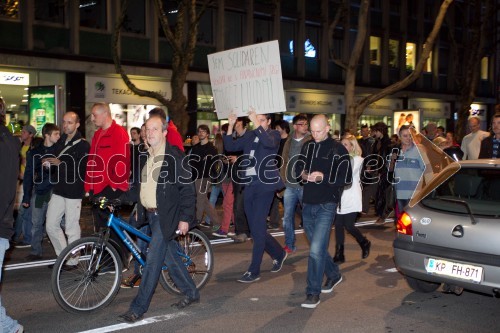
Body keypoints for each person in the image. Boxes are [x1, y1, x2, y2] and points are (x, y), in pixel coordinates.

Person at [120, 115, 198, 323]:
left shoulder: (174, 156)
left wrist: (185, 218)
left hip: (167, 216)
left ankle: (138, 308)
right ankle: (191, 292)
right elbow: (139, 189)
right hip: (151, 216)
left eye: (155, 129)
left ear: (164, 132)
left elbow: (188, 190)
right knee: (171, 258)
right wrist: (119, 200)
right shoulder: (147, 156)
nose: (150, 132)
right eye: (148, 129)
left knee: (153, 261)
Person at [224, 109, 287, 283]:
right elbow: (231, 146)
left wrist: (257, 124)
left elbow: (268, 144)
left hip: (265, 186)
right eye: (255, 120)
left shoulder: (274, 134)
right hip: (250, 184)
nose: (257, 122)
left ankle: (254, 270)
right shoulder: (251, 135)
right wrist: (230, 125)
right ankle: (279, 253)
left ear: (268, 122)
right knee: (255, 229)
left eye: (261, 120)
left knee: (258, 228)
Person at [296, 114, 351, 308]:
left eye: (318, 130)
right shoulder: (307, 146)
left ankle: (313, 292)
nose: (314, 134)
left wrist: (324, 177)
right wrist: (304, 175)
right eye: (312, 130)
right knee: (317, 249)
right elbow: (299, 170)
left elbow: (346, 179)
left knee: (315, 251)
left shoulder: (338, 149)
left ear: (328, 128)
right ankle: (334, 274)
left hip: (327, 204)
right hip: (308, 202)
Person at [85, 103, 130, 265]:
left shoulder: (118, 133)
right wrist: (88, 185)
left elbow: (122, 160)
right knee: (102, 225)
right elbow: (92, 161)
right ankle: (115, 257)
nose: (92, 118)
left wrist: (114, 187)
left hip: (109, 187)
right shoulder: (97, 134)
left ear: (105, 114)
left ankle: (115, 260)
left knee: (108, 225)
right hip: (97, 187)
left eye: (94, 115)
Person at [45, 112, 90, 268]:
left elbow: (81, 169)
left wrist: (60, 164)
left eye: (69, 122)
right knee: (50, 224)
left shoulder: (83, 145)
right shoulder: (61, 141)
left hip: (74, 190)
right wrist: (49, 163)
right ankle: (64, 256)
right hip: (59, 189)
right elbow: (56, 160)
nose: (65, 125)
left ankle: (73, 261)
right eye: (64, 122)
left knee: (71, 227)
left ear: (77, 124)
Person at [0, 97, 24, 333]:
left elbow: (6, 190)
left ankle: (8, 327)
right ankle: (7, 326)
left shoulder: (6, 142)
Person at [22, 123, 60, 261]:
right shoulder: (34, 153)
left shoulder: (60, 150)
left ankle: (64, 251)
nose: (58, 136)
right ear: (47, 135)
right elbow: (28, 175)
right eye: (56, 134)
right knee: (36, 222)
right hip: (40, 191)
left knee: (59, 223)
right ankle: (35, 250)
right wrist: (26, 196)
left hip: (57, 192)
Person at [333, 135, 371, 264]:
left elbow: (345, 174)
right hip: (340, 195)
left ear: (352, 146)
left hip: (351, 195)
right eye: (341, 144)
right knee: (338, 225)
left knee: (349, 225)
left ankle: (364, 242)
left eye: (346, 144)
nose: (343, 146)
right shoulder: (339, 159)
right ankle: (339, 253)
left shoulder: (358, 159)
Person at [279, 114, 311, 253]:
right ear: (295, 126)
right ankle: (290, 245)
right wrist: (282, 183)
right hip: (290, 186)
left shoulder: (311, 140)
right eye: (302, 124)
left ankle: (315, 244)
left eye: (306, 124)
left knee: (309, 216)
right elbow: (284, 161)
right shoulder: (289, 140)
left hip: (305, 186)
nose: (305, 126)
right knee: (287, 218)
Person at [188, 124, 221, 228]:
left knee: (200, 200)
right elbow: (190, 162)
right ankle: (216, 222)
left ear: (207, 134)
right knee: (204, 201)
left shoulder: (212, 148)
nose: (200, 133)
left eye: (203, 131)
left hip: (206, 177)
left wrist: (215, 179)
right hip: (195, 177)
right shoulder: (196, 147)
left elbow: (215, 164)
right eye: (199, 131)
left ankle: (196, 222)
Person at [392, 126, 428, 219]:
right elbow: (390, 169)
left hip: (414, 193)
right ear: (399, 137)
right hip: (399, 192)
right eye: (405, 136)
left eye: (410, 136)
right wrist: (392, 160)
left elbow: (427, 169)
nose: (408, 138)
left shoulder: (419, 150)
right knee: (401, 222)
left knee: (413, 221)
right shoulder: (395, 151)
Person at [12, 124, 37, 248]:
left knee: (24, 210)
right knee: (21, 210)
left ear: (31, 135)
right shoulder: (21, 146)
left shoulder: (33, 148)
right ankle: (18, 236)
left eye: (24, 132)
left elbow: (33, 165)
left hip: (29, 182)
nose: (22, 134)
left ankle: (20, 237)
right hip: (20, 181)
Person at [227, 117, 251, 243]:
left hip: (246, 175)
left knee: (240, 204)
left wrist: (239, 158)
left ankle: (243, 231)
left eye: (237, 122)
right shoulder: (235, 137)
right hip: (236, 174)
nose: (235, 124)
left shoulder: (250, 136)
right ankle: (240, 230)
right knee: (238, 203)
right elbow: (228, 147)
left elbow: (252, 154)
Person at [267, 119, 290, 230]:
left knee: (288, 199)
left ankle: (304, 219)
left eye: (277, 128)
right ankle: (274, 222)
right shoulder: (275, 140)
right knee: (274, 198)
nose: (275, 130)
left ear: (284, 128)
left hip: (285, 174)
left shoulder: (290, 141)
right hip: (275, 172)